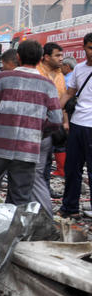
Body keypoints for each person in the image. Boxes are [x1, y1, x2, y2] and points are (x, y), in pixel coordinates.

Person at [0, 40, 62, 207]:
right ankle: (12, 232)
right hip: (27, 150)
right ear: (41, 59)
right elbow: (56, 120)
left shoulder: (3, 78)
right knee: (19, 198)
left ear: (18, 57)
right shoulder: (48, 85)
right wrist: (38, 134)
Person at [59, 33, 92, 218]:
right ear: (84, 47)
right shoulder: (79, 69)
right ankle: (70, 208)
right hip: (78, 124)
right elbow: (69, 93)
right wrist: (54, 110)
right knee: (72, 169)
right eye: (90, 48)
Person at [32, 42, 67, 213]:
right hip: (39, 124)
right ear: (46, 57)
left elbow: (63, 100)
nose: (61, 59)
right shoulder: (37, 73)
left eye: (62, 56)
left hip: (55, 123)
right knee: (40, 162)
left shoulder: (60, 75)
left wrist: (64, 121)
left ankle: (44, 190)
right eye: (57, 56)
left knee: (48, 159)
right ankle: (40, 194)